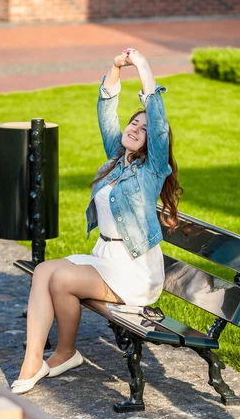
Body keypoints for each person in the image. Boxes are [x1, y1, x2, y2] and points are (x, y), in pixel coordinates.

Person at [10, 49, 182, 395]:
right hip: (107, 259)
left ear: (153, 143)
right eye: (134, 122)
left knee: (60, 278)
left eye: (143, 128)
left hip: (134, 270)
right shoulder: (116, 160)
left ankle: (59, 354)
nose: (135, 127)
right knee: (45, 271)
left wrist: (143, 67)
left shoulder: (151, 171)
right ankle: (49, 356)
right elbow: (106, 111)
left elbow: (159, 123)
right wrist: (116, 68)